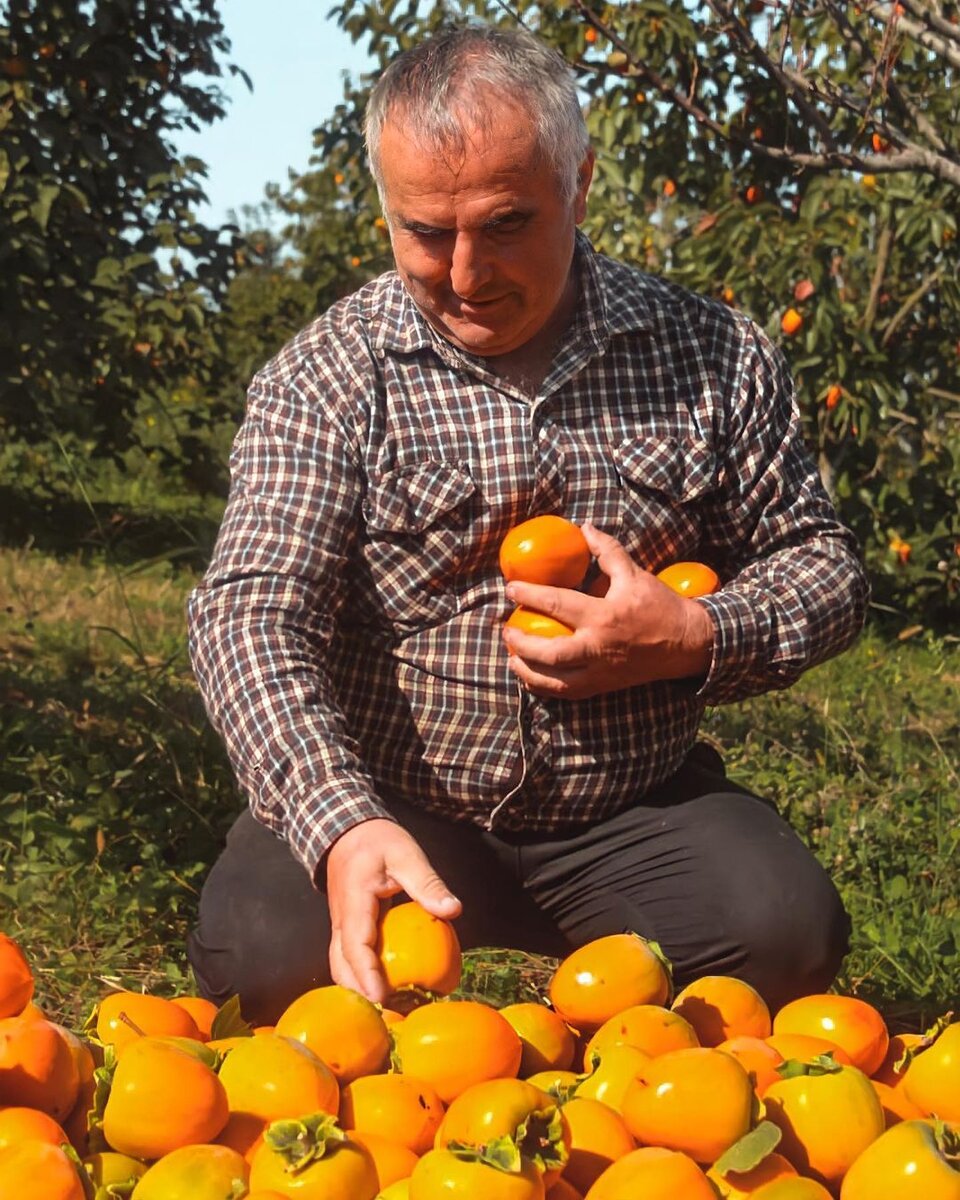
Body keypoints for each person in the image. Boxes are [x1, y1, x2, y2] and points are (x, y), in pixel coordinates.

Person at [185, 23, 869, 1026]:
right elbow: (249, 616)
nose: (466, 275)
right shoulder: (329, 374)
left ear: (579, 183)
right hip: (395, 799)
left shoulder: (709, 355)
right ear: (384, 209)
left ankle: (600, 1041)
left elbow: (824, 565)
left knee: (783, 930)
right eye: (426, 232)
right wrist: (340, 825)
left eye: (506, 223)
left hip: (623, 812)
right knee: (259, 957)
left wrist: (699, 637)